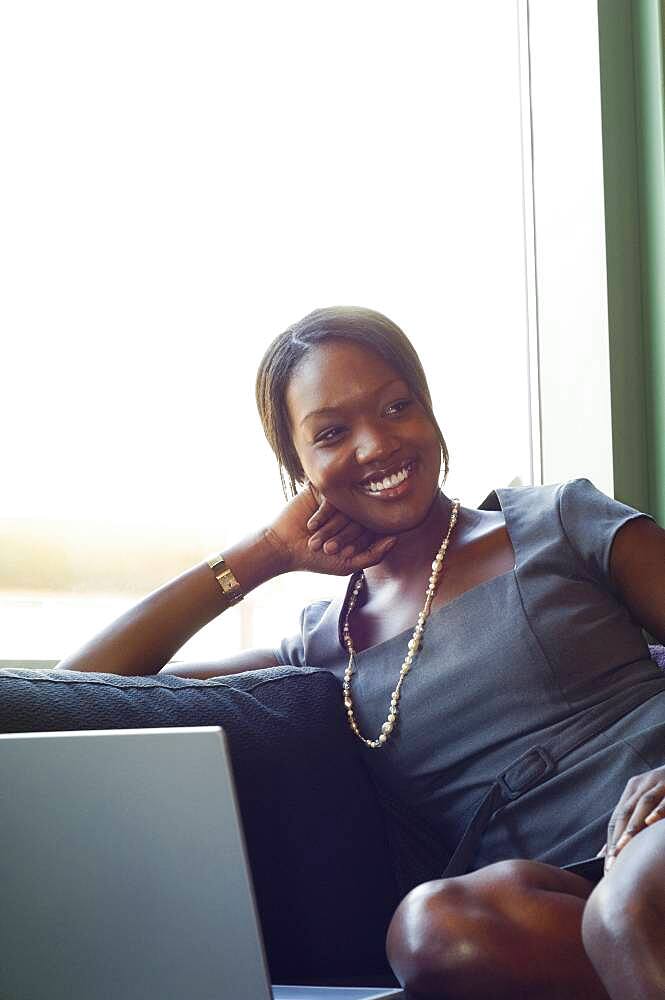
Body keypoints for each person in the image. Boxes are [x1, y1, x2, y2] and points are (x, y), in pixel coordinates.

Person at [58, 306, 665, 999]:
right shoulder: (323, 649)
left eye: (396, 407)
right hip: (559, 899)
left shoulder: (553, 521)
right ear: (298, 467)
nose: (377, 445)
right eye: (332, 433)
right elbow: (73, 692)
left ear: (429, 411)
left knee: (624, 913)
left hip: (655, 827)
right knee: (429, 928)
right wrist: (261, 555)